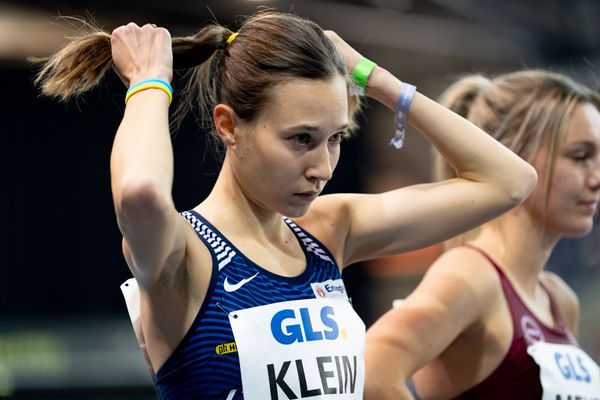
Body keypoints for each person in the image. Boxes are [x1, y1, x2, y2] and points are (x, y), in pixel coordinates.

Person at [34, 11, 536, 400]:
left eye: (335, 138)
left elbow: (509, 181)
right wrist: (148, 81)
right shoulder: (182, 255)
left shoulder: (329, 230)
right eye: (300, 139)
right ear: (229, 126)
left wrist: (371, 75)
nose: (323, 167)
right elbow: (139, 192)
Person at [364, 70, 600, 399]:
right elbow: (371, 373)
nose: (596, 178)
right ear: (514, 156)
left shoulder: (561, 300)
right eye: (581, 157)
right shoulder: (470, 277)